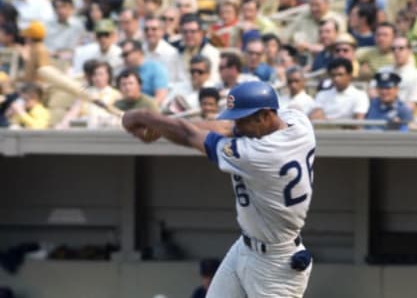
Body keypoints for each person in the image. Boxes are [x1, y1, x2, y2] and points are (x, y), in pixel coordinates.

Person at [122, 80, 315, 297]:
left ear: (265, 116)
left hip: (276, 265)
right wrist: (163, 128)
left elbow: (190, 136)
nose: (238, 126)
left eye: (243, 120)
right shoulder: (298, 122)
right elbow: (226, 128)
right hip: (246, 247)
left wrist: (147, 117)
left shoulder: (261, 153)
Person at [120, 39, 169, 107]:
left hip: (150, 111)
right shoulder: (125, 72)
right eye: (122, 55)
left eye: (126, 54)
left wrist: (144, 111)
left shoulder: (155, 68)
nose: (124, 58)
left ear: (138, 52)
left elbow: (160, 97)